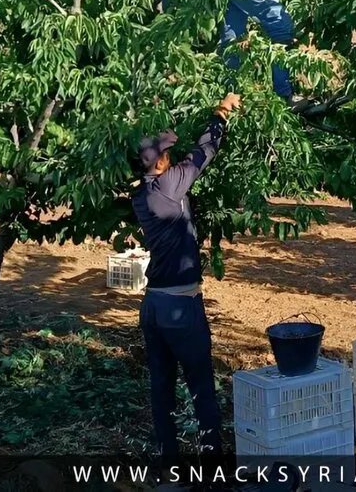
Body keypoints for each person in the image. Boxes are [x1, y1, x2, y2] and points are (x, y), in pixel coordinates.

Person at [132, 92, 241, 474]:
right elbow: (204, 152)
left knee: (161, 387)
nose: (173, 156)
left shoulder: (141, 195)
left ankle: (169, 467)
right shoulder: (170, 185)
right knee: (201, 387)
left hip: (153, 306)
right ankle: (212, 469)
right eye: (167, 153)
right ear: (160, 162)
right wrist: (221, 111)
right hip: (180, 307)